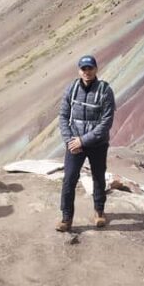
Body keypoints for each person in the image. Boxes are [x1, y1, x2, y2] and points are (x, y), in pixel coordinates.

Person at [56, 55, 116, 232]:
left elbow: (106, 122)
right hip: (74, 143)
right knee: (69, 179)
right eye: (84, 68)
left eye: (90, 68)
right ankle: (66, 218)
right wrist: (70, 141)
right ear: (79, 70)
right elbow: (63, 116)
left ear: (96, 69)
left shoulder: (105, 91)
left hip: (97, 144)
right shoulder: (72, 89)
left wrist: (83, 140)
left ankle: (99, 212)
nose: (87, 72)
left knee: (98, 176)